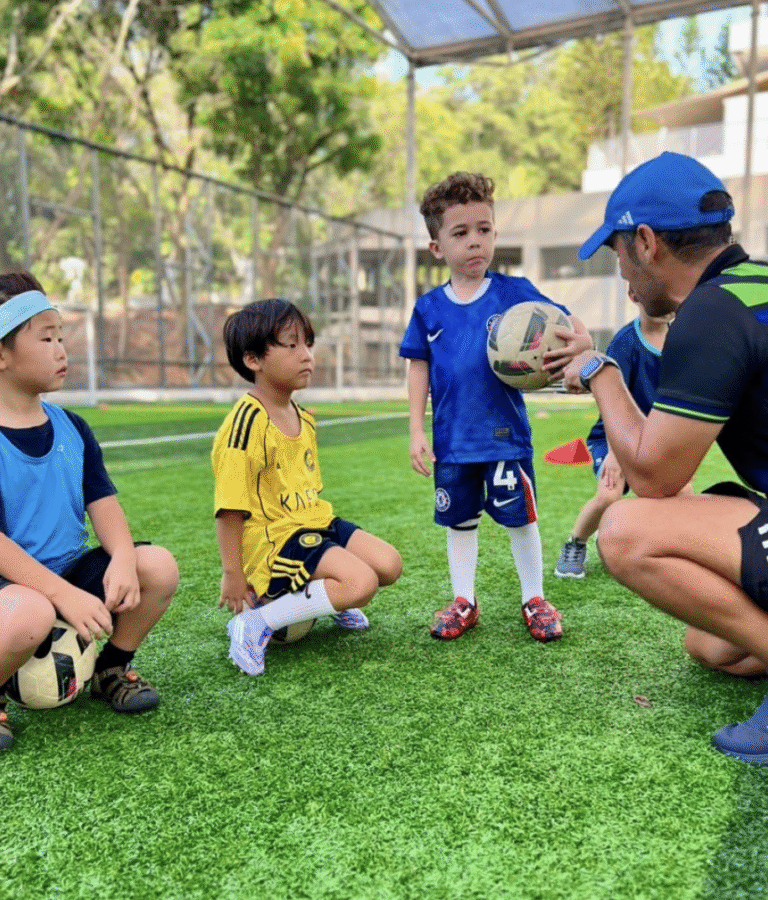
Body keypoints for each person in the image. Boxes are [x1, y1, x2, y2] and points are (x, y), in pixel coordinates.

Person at [558, 151, 768, 764]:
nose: (621, 273)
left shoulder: (710, 313)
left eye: (617, 252)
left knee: (624, 530)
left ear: (646, 243)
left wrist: (599, 369)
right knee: (712, 644)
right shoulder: (752, 287)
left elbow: (653, 477)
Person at [400, 171, 589, 643]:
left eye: (484, 229)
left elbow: (564, 326)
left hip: (504, 434)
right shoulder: (428, 308)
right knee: (459, 520)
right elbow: (418, 367)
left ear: (495, 234)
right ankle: (465, 599)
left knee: (519, 517)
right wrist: (416, 431)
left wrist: (582, 343)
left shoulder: (515, 293)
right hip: (452, 439)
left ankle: (535, 598)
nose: (475, 242)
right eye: (460, 233)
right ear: (437, 247)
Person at [0, 272, 179, 750]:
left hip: (70, 568)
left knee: (156, 567)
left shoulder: (72, 428)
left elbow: (104, 503)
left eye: (62, 336)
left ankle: (110, 669)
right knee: (29, 613)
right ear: (1, 354)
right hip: (10, 587)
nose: (63, 349)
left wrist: (121, 558)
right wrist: (63, 596)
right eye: (46, 338)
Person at [212, 298, 402, 676]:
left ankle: (328, 598)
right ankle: (256, 622)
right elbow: (230, 509)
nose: (307, 355)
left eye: (308, 344)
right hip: (273, 539)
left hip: (311, 522)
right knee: (360, 581)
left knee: (389, 565)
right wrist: (234, 574)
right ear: (253, 359)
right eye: (291, 345)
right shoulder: (246, 425)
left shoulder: (303, 418)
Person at [555, 289, 684, 578]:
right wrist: (616, 454)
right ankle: (576, 543)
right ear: (635, 295)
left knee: (681, 495)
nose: (666, 305)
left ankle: (668, 549)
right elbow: (609, 399)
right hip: (613, 436)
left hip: (653, 436)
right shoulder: (625, 343)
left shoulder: (681, 341)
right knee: (609, 495)